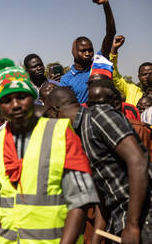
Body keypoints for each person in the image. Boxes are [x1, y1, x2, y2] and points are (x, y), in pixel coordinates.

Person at [0, 66, 98, 243]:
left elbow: (80, 202)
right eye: (6, 100)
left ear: (32, 97)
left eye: (21, 96)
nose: (15, 105)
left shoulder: (59, 133)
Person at [45, 86, 152, 243]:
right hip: (120, 221)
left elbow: (138, 161)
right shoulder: (77, 138)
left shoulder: (98, 116)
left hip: (144, 217)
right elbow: (102, 197)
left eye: (48, 118)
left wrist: (132, 225)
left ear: (54, 112)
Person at [60, 0, 116, 104]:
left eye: (90, 50)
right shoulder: (66, 80)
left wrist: (106, 5)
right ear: (74, 52)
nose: (88, 53)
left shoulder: (98, 64)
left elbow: (110, 33)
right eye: (83, 50)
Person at [110, 35, 151, 105]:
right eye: (144, 74)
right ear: (139, 77)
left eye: (150, 73)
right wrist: (114, 50)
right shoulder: (131, 90)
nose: (147, 76)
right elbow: (115, 76)